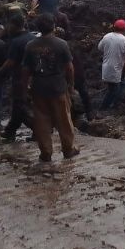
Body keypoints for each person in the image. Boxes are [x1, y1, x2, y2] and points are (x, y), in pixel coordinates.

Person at [21, 14, 78, 162]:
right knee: (64, 120)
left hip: (38, 88)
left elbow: (25, 70)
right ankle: (68, 149)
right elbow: (70, 68)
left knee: (41, 121)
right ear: (53, 26)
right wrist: (71, 85)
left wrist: (25, 86)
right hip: (58, 87)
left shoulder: (30, 45)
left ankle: (46, 152)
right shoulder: (61, 44)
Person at [0, 15, 37, 140]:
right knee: (20, 105)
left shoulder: (16, 41)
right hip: (34, 77)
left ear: (14, 25)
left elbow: (10, 62)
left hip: (20, 77)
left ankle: (38, 129)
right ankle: (10, 130)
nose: (7, 28)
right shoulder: (33, 37)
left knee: (20, 105)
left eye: (9, 25)